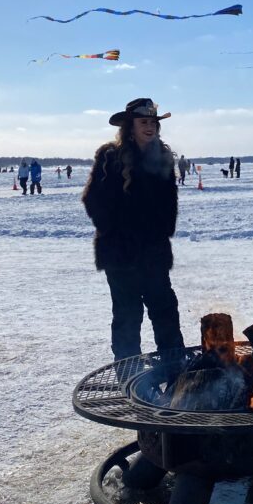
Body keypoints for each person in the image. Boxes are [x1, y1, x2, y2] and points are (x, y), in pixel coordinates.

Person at [82, 97, 185, 361]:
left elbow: (169, 200)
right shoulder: (110, 157)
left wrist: (163, 229)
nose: (150, 127)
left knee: (165, 309)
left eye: (153, 122)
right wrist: (113, 230)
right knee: (128, 314)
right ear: (130, 126)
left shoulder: (162, 157)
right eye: (144, 122)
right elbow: (92, 199)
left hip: (153, 250)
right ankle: (129, 374)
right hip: (120, 252)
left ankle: (175, 370)